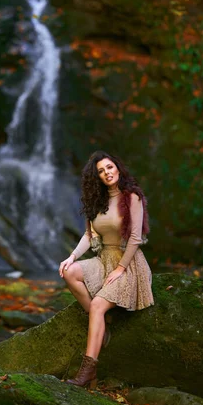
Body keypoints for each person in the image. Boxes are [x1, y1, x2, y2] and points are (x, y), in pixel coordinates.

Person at [59, 150, 154, 388]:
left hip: (129, 263)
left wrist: (121, 268)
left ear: (118, 168)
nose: (106, 173)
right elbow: (88, 235)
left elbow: (134, 238)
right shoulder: (97, 202)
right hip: (104, 259)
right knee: (68, 272)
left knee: (98, 306)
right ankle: (104, 326)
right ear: (98, 177)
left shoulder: (132, 197)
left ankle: (87, 372)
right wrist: (71, 257)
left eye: (109, 167)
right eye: (101, 171)